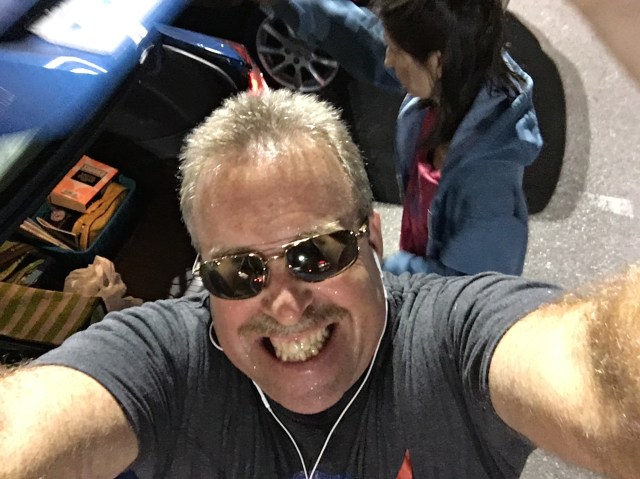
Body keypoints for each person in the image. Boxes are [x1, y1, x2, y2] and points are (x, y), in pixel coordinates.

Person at [1, 89, 640, 479]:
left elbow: (601, 382)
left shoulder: (451, 342)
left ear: (373, 238)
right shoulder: (165, 362)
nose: (285, 305)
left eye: (317, 253)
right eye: (239, 270)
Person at [259, 0, 543, 276]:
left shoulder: (488, 190)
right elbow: (365, 40)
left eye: (396, 52)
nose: (388, 60)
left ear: (438, 63)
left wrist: (379, 270)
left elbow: (466, 287)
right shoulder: (460, 65)